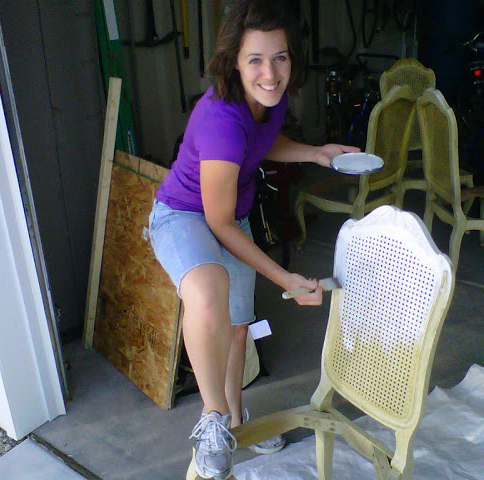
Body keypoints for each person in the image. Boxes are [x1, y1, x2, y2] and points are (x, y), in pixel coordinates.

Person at [148, 1, 359, 478]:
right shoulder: (221, 119)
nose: (270, 72)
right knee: (208, 291)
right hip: (184, 215)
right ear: (234, 62)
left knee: (239, 325)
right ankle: (212, 421)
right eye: (256, 60)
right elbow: (218, 223)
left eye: (280, 57)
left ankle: (237, 421)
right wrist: (285, 276)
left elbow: (263, 143)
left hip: (228, 213)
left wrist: (314, 153)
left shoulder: (269, 97)